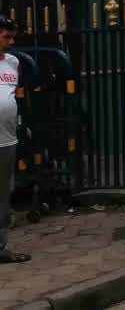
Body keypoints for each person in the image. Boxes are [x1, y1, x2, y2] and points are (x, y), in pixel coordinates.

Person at [0, 16, 30, 265]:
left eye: (12, 37)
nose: (10, 42)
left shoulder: (13, 62)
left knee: (3, 194)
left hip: (7, 139)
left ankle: (0, 248)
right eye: (5, 37)